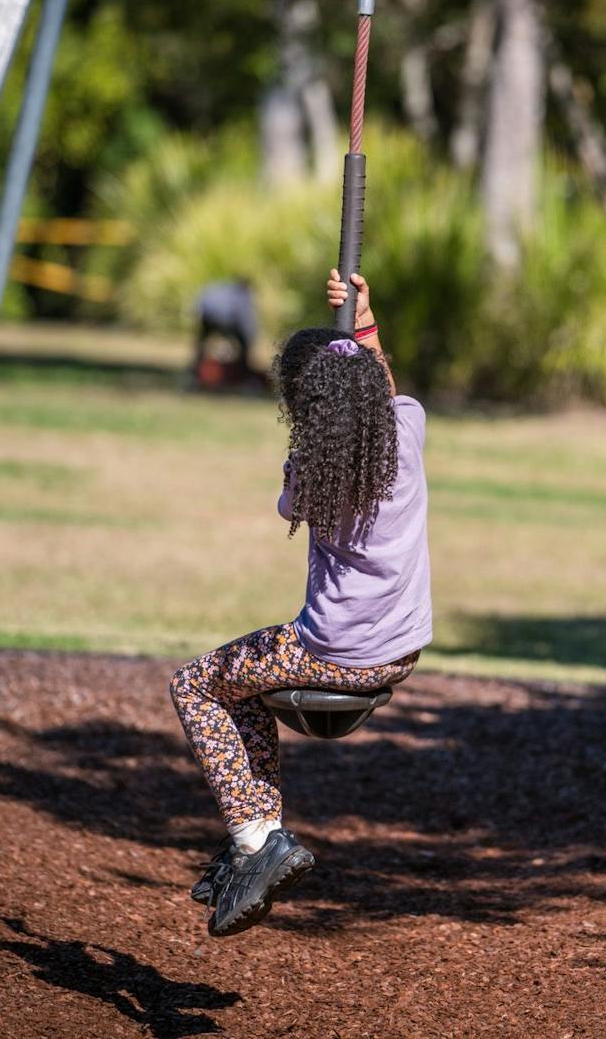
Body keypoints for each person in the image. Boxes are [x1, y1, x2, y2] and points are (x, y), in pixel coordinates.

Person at [169, 269, 432, 937]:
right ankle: (251, 838)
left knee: (197, 685)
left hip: (331, 654)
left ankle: (259, 838)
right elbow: (385, 393)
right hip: (400, 650)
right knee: (244, 686)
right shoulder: (406, 433)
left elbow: (298, 489)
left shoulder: (310, 480)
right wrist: (364, 323)